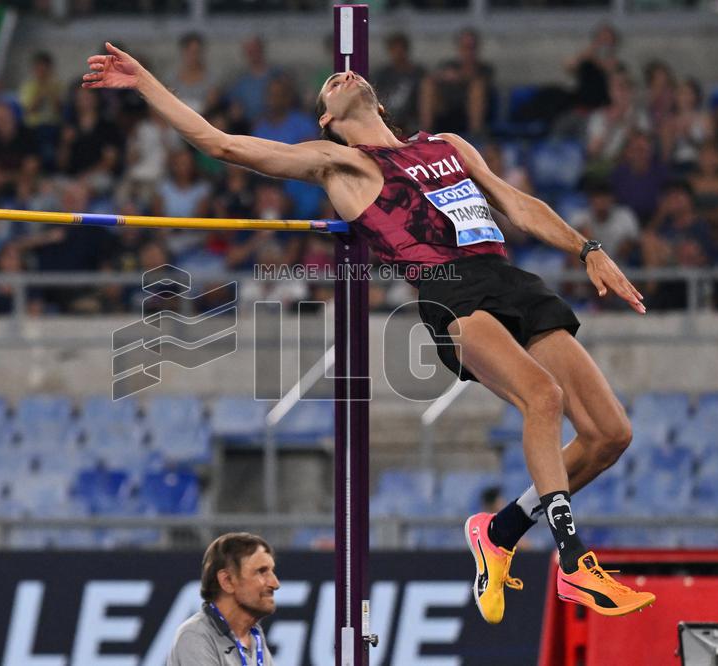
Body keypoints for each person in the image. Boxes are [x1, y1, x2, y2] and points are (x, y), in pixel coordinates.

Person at [84, 42, 655, 624]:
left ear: (375, 96)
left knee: (610, 433)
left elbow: (514, 202)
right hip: (451, 293)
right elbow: (222, 144)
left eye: (348, 73)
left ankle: (500, 532)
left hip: (509, 277)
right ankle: (573, 561)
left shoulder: (446, 146)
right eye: (329, 84)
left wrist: (587, 249)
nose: (343, 74)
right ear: (327, 119)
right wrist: (145, 83)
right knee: (544, 397)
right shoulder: (342, 164)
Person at [167, 532, 279, 666]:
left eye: (272, 571)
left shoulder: (255, 634)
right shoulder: (195, 635)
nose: (275, 583)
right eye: (261, 571)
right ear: (227, 581)